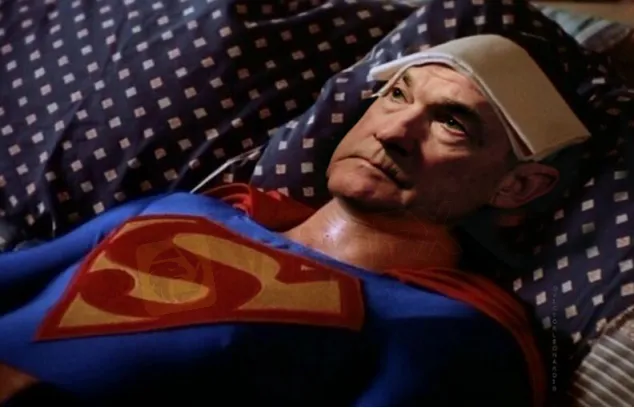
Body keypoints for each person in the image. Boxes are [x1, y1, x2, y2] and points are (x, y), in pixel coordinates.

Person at [0, 24, 602, 408]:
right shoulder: (186, 209)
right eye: (396, 94)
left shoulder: (443, 331)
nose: (392, 131)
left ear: (518, 185)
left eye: (451, 123)